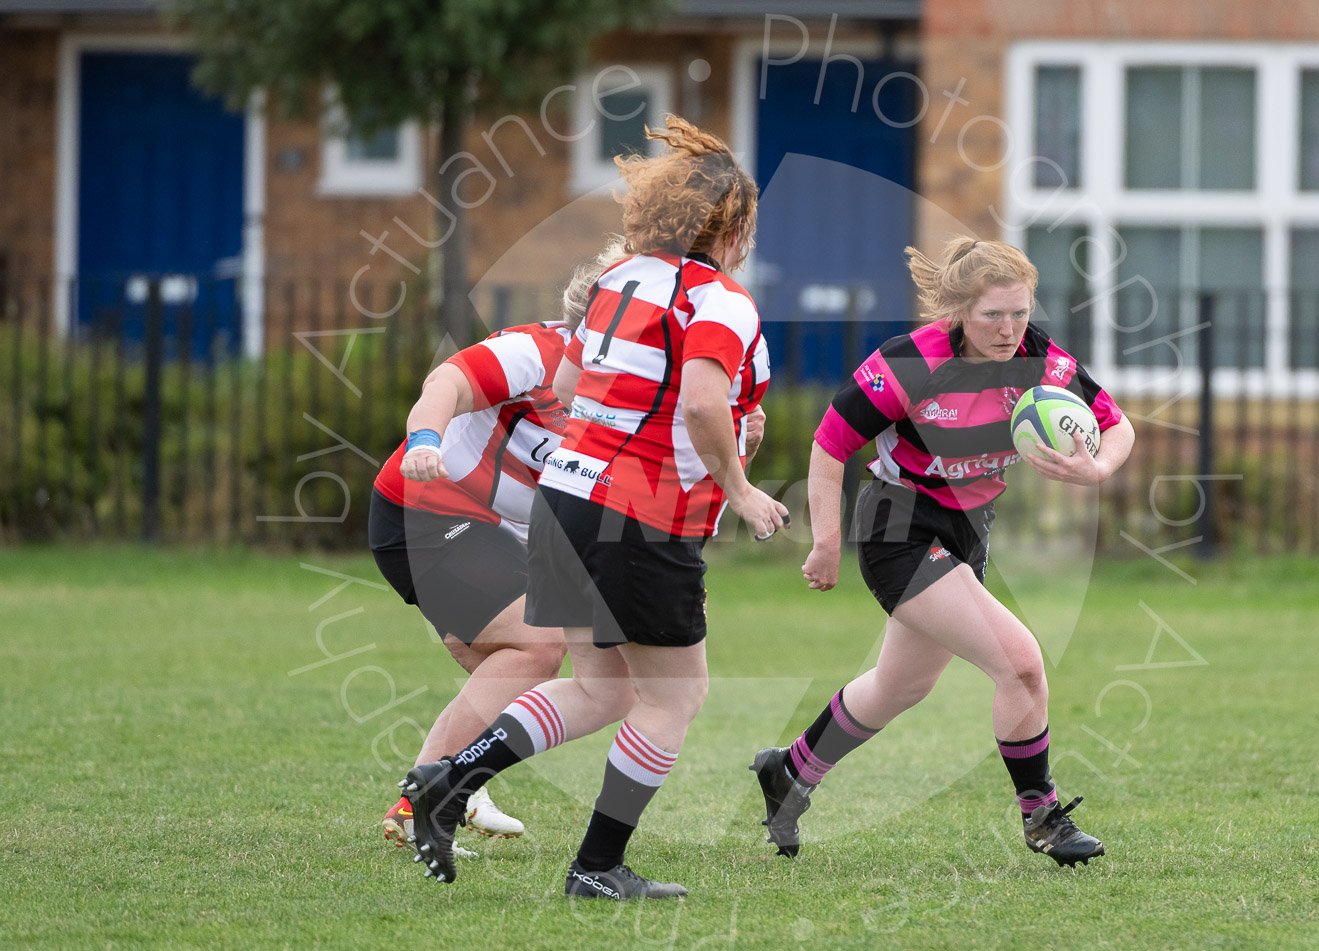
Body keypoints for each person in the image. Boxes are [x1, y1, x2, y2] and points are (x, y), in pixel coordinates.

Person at [400, 115, 786, 899]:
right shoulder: (723, 300)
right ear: (734, 224)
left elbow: (573, 388)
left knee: (603, 687)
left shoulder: (619, 280)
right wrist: (741, 485)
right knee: (676, 695)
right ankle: (597, 866)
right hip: (637, 514)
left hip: (565, 501)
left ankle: (447, 782)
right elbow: (708, 403)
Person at [750, 237, 1135, 868]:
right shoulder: (909, 363)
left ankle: (788, 773)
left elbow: (1117, 425)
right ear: (957, 310)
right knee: (1021, 663)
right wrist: (824, 542)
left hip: (966, 529)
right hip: (898, 528)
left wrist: (1097, 470)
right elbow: (828, 445)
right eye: (993, 315)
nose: (1010, 330)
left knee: (899, 686)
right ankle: (1042, 817)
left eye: (1020, 312)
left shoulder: (1040, 358)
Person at [368, 243, 622, 852]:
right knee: (537, 647)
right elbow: (445, 383)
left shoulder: (628, 391)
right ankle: (438, 793)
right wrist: (426, 437)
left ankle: (428, 799)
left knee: (511, 666)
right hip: (424, 511)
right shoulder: (535, 350)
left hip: (500, 534)